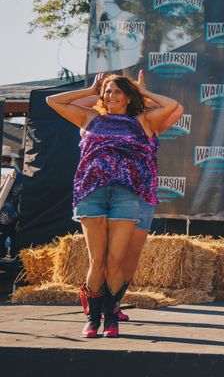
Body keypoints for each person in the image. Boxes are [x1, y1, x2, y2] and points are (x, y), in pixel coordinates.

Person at [47, 72, 183, 338]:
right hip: (92, 192)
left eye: (117, 92)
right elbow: (53, 100)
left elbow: (172, 107)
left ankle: (112, 317)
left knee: (115, 259)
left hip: (127, 194)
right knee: (96, 260)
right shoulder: (89, 118)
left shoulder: (141, 120)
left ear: (127, 96)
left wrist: (143, 92)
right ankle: (92, 318)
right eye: (107, 92)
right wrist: (90, 88)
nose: (110, 96)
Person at [1, 146, 22, 260]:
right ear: (10, 159)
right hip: (11, 211)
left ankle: (1, 254)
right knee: (12, 234)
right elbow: (19, 193)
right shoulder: (17, 175)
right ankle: (13, 255)